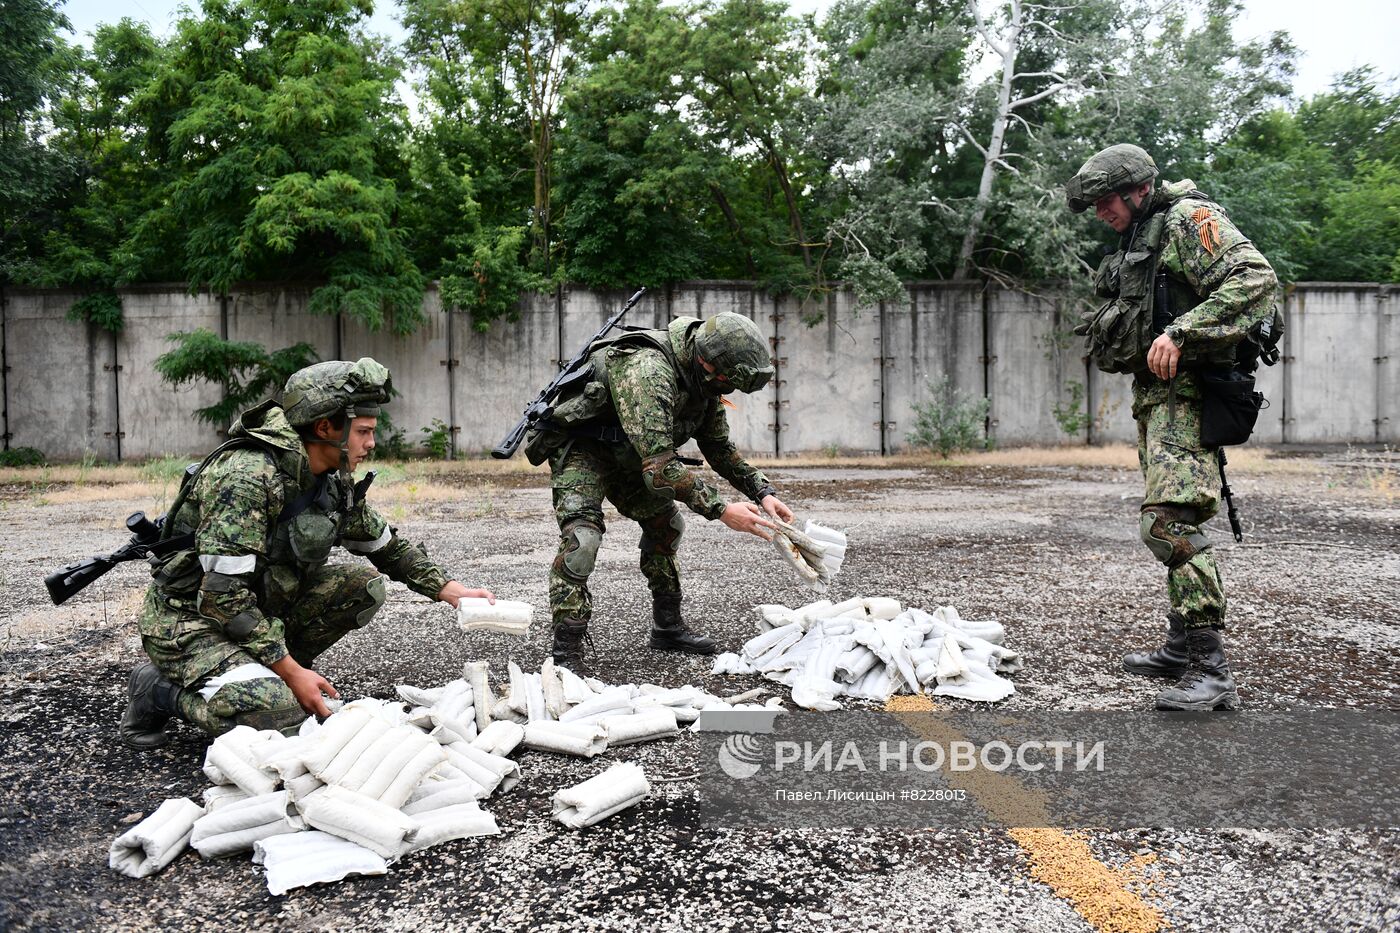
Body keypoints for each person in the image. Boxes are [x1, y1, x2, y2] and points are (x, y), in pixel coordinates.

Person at [120, 358, 493, 749]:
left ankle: (270, 674)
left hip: (254, 610)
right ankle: (158, 689)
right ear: (324, 427)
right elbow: (221, 597)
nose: (371, 443)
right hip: (191, 621)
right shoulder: (246, 476)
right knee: (279, 722)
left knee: (362, 587)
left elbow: (387, 548)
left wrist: (452, 590)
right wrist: (292, 671)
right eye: (363, 432)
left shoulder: (328, 480)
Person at [1065, 143, 1280, 710]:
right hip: (1159, 398)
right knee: (1169, 517)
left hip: (1189, 396)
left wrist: (1181, 332)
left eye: (1105, 199)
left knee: (1167, 524)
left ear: (1138, 189)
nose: (1099, 211)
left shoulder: (1191, 219)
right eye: (1093, 204)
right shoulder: (1142, 235)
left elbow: (1256, 278)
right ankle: (1181, 648)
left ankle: (1212, 672)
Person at [524, 312, 794, 668]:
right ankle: (567, 653)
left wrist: (763, 492)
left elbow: (718, 449)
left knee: (666, 526)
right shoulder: (648, 371)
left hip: (635, 456)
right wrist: (722, 510)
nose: (725, 391)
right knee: (582, 542)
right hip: (585, 451)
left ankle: (667, 627)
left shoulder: (704, 382)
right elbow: (662, 471)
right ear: (705, 361)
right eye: (726, 382)